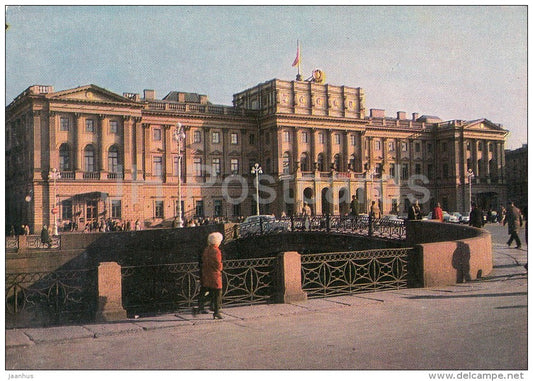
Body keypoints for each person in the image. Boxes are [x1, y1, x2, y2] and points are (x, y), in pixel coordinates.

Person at [197, 232, 224, 319]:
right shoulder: (216, 251)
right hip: (214, 275)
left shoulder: (206, 249)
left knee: (206, 290)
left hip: (206, 273)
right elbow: (218, 264)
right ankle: (216, 312)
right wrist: (221, 267)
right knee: (217, 292)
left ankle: (201, 307)